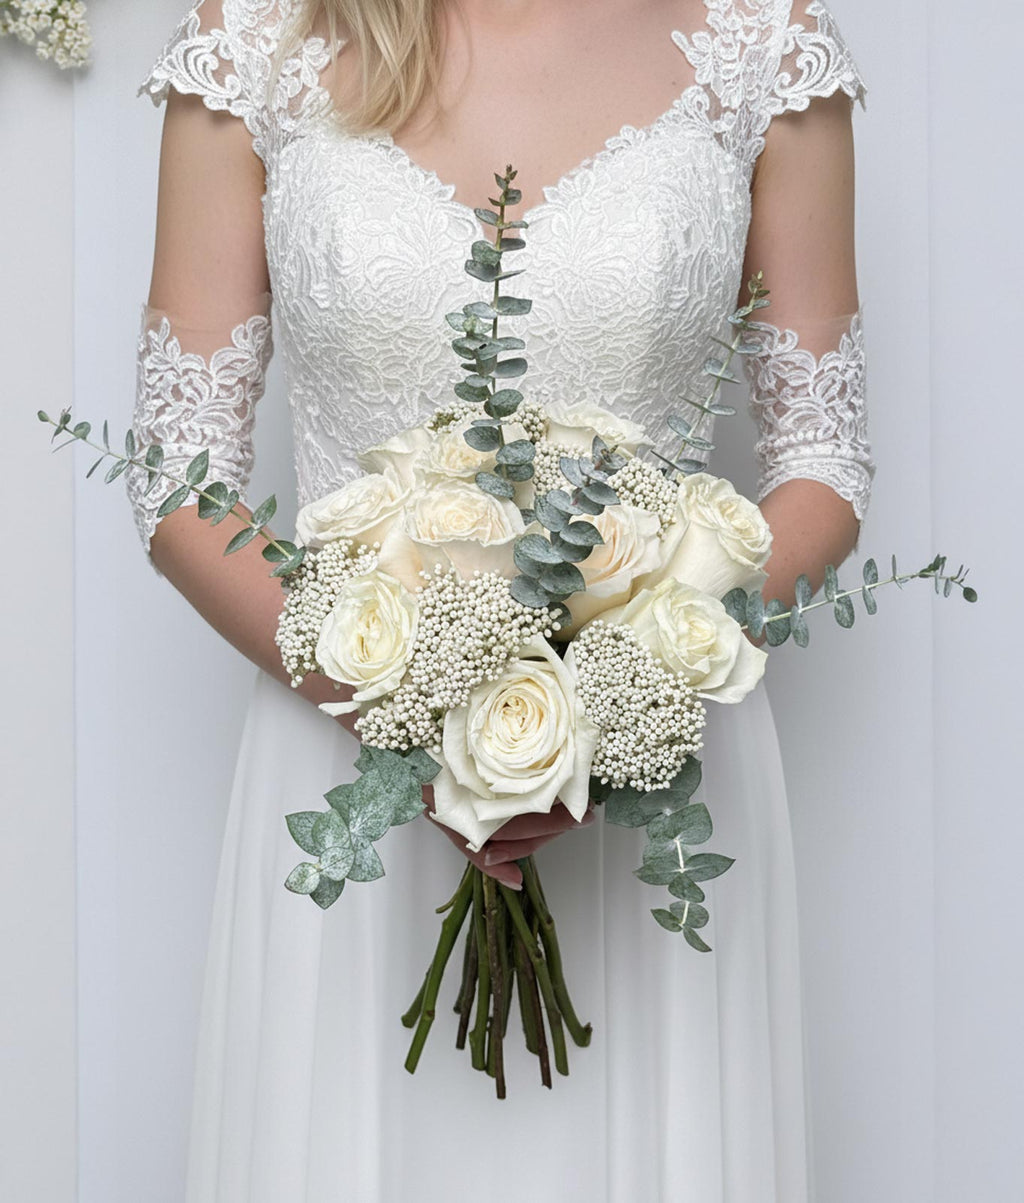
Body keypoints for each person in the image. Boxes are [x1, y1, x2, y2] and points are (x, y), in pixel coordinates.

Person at [131, 0, 873, 1198]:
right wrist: (415, 711)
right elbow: (176, 477)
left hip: (658, 773)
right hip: (349, 765)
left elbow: (825, 461)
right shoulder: (252, 37)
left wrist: (613, 706)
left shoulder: (763, 39)